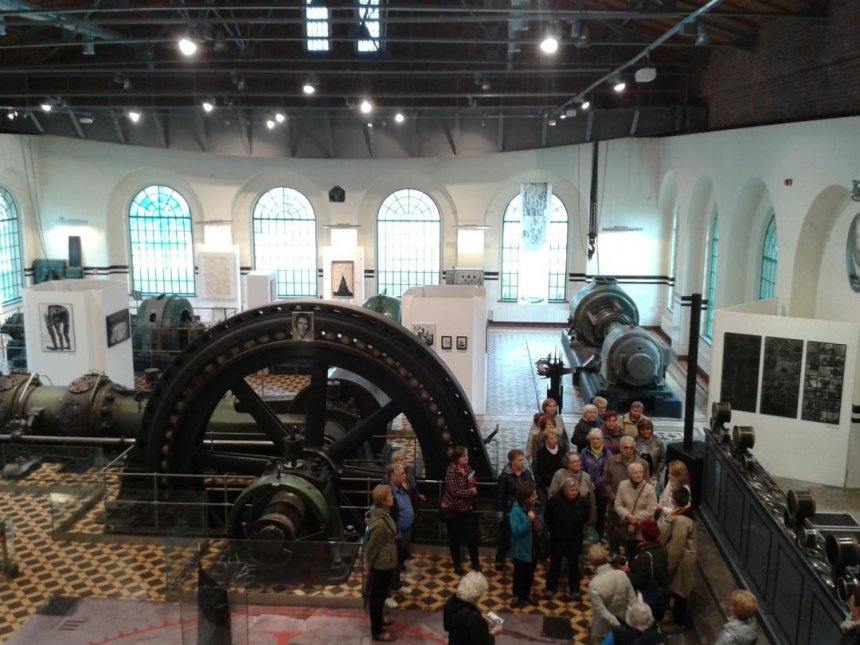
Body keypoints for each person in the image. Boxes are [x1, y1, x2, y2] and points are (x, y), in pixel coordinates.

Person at [364, 484, 399, 642]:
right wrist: (369, 563)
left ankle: (379, 620)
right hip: (381, 564)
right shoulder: (380, 523)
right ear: (383, 501)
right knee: (377, 597)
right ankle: (377, 631)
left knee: (382, 593)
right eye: (390, 496)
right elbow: (372, 546)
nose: (392, 497)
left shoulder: (384, 514)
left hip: (387, 561)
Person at [544, 478, 589, 600]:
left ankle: (575, 589)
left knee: (574, 565)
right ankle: (551, 588)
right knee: (555, 564)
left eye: (576, 490)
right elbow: (548, 517)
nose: (574, 492)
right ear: (564, 490)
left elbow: (586, 517)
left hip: (574, 538)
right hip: (557, 538)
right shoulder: (554, 501)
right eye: (571, 490)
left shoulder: (582, 502)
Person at [659, 486, 697, 630]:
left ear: (674, 501)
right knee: (678, 589)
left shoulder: (682, 520)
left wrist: (669, 568)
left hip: (682, 560)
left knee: (680, 591)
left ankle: (680, 622)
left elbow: (677, 547)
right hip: (681, 558)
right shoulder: (682, 513)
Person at [604, 437, 651, 553]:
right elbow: (605, 482)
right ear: (620, 448)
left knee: (633, 543)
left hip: (636, 512)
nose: (628, 450)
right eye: (626, 448)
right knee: (614, 538)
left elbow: (646, 486)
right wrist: (613, 498)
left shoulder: (643, 464)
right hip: (615, 508)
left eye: (631, 448)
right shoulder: (611, 461)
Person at [440, 446, 481, 575]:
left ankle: (475, 563)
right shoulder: (451, 471)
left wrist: (473, 484)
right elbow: (454, 491)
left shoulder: (468, 469)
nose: (466, 458)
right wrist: (470, 492)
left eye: (467, 455)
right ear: (457, 458)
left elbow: (471, 484)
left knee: (472, 538)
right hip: (454, 509)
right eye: (463, 456)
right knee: (454, 538)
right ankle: (457, 564)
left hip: (467, 508)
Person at [587, 544, 637, 645]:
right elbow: (633, 601)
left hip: (603, 629)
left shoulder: (594, 584)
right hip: (624, 623)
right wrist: (626, 624)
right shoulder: (622, 574)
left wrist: (617, 624)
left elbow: (602, 612)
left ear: (591, 563)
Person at [495, 449, 534, 571]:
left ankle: (517, 556)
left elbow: (531, 488)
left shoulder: (526, 473)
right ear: (512, 462)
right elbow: (500, 496)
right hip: (511, 510)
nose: (523, 462)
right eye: (520, 460)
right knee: (506, 537)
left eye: (523, 459)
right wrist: (500, 513)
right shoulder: (505, 476)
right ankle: (500, 559)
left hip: (524, 508)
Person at [443, 571, 503, 645]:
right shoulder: (474, 619)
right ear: (477, 596)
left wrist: (479, 614)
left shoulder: (451, 601)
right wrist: (493, 632)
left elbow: (447, 626)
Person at [627, 519, 669, 622]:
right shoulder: (662, 548)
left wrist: (627, 572)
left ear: (643, 535)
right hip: (661, 591)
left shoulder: (645, 556)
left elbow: (638, 581)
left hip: (648, 597)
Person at [614, 462, 657, 557]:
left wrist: (635, 518)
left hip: (642, 529)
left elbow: (651, 510)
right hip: (627, 527)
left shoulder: (649, 488)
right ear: (630, 474)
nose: (639, 475)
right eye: (635, 473)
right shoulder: (623, 485)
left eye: (640, 472)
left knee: (640, 556)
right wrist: (627, 515)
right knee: (628, 554)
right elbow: (618, 504)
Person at [509, 481, 541, 608]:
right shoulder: (516, 510)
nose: (537, 496)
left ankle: (526, 594)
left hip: (533, 547)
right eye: (534, 494)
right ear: (526, 497)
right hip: (521, 549)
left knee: (530, 573)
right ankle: (516, 595)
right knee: (519, 574)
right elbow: (516, 531)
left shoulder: (533, 505)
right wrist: (528, 521)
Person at [384, 463, 415, 596]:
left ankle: (396, 584)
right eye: (401, 473)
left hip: (406, 532)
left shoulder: (402, 487)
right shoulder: (387, 493)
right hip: (395, 534)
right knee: (390, 564)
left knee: (399, 562)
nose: (405, 475)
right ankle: (387, 594)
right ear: (393, 476)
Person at [548, 452, 597, 528]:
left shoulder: (586, 477)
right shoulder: (559, 475)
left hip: (581, 520)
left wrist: (592, 519)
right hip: (562, 519)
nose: (578, 463)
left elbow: (591, 500)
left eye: (578, 461)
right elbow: (552, 496)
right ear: (567, 464)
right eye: (574, 462)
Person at [581, 429, 612, 538]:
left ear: (602, 439)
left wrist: (597, 483)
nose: (596, 441)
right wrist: (589, 482)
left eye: (598, 439)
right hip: (588, 487)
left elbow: (607, 472)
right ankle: (587, 536)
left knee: (601, 514)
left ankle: (600, 536)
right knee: (587, 512)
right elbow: (582, 469)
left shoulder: (608, 454)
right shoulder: (584, 453)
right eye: (593, 439)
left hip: (602, 489)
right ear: (589, 440)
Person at [533, 426, 567, 501]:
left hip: (562, 481)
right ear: (546, 440)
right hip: (548, 483)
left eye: (555, 437)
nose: (554, 440)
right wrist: (553, 481)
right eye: (551, 438)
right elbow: (541, 470)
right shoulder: (541, 453)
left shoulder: (562, 450)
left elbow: (565, 465)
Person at [634, 419, 666, 488]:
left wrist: (655, 475)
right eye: (643, 430)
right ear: (639, 430)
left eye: (648, 429)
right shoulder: (635, 441)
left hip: (654, 475)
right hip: (637, 474)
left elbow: (663, 459)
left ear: (651, 429)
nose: (645, 431)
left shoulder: (658, 441)